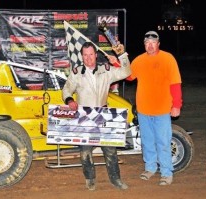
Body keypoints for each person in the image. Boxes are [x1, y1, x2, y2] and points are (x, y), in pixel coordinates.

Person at [62, 42, 131, 191]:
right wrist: (69, 100)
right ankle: (90, 179)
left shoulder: (106, 70)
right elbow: (66, 89)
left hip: (103, 115)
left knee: (110, 150)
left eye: (91, 54)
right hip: (84, 117)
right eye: (85, 55)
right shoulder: (76, 72)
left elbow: (126, 73)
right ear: (82, 56)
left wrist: (122, 56)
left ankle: (116, 179)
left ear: (96, 55)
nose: (88, 58)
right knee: (85, 151)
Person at [127, 31, 182, 186]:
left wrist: (176, 105)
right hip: (144, 110)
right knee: (147, 141)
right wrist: (119, 61)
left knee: (163, 142)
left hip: (162, 110)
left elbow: (175, 84)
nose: (150, 45)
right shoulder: (139, 60)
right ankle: (150, 168)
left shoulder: (168, 58)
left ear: (158, 43)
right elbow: (129, 76)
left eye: (153, 42)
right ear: (144, 44)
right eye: (147, 42)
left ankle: (166, 172)